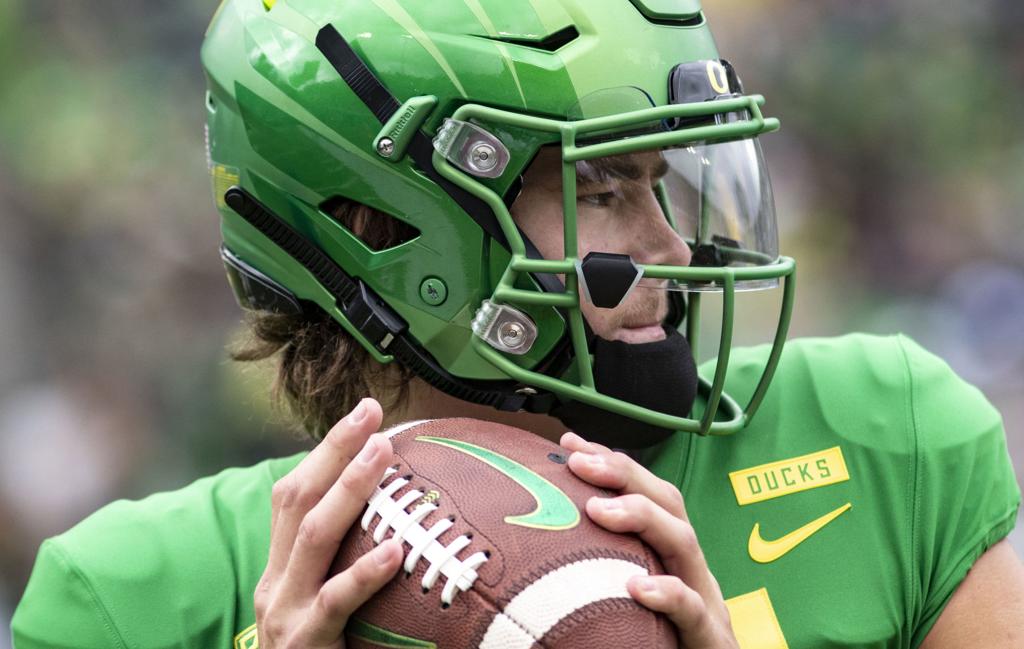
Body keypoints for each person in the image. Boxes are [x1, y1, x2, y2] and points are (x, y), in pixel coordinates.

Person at [11, 0, 1024, 647]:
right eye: (603, 190)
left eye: (663, 184)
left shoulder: (879, 439)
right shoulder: (133, 602)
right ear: (387, 228)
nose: (670, 251)